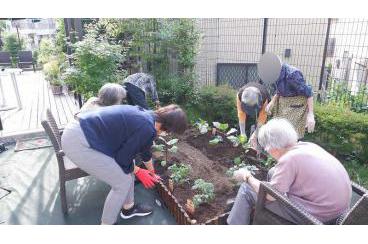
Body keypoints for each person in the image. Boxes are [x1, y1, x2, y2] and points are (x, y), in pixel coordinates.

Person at [61, 104, 187, 225]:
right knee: (122, 182)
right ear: (167, 126)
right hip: (78, 142)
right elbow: (122, 158)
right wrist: (138, 171)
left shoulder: (148, 117)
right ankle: (107, 224)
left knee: (128, 169)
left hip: (82, 131)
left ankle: (128, 209)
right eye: (170, 131)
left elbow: (145, 151)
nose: (168, 133)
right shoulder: (147, 127)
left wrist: (152, 172)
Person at [227, 118, 351, 225]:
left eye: (266, 148)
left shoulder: (289, 159)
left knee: (246, 189)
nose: (266, 151)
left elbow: (270, 195)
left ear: (273, 148)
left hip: (318, 217)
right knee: (272, 171)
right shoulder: (306, 146)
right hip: (338, 210)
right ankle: (264, 216)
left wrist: (247, 176)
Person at [258, 53, 315, 138]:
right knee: (279, 132)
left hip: (296, 106)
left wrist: (310, 114)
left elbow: (308, 93)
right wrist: (271, 103)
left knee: (290, 135)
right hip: (283, 105)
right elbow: (279, 91)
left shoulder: (292, 74)